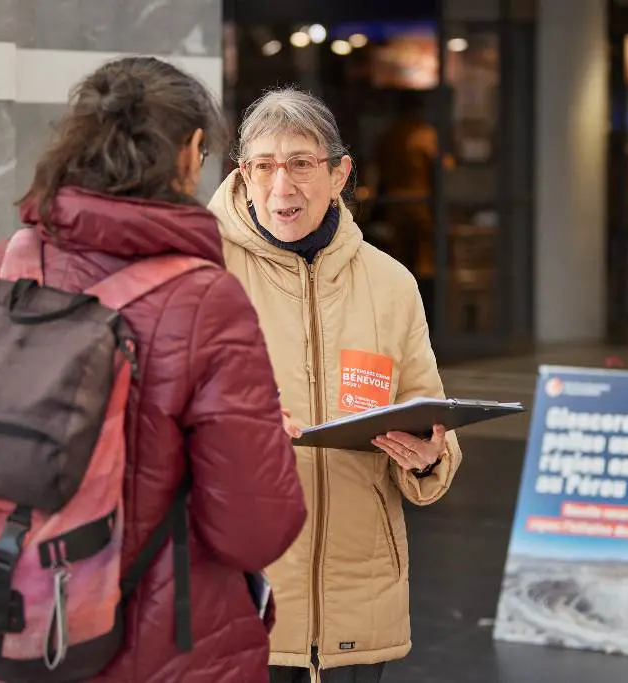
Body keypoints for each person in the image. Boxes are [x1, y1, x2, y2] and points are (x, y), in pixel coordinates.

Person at [0, 57, 307, 683]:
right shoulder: (204, 298)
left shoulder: (11, 261)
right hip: (165, 645)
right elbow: (256, 529)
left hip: (25, 612)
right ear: (187, 153)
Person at [209, 87, 463, 683]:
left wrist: (430, 457)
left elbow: (429, 412)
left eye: (300, 164)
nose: (281, 186)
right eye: (263, 166)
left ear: (339, 172)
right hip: (244, 594)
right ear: (241, 174)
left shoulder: (391, 284)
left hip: (361, 597)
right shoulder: (205, 272)